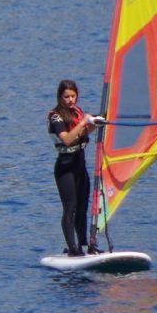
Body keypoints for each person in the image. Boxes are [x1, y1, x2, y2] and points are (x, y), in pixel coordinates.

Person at [47, 79, 100, 256]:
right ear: (60, 97)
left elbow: (82, 134)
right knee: (70, 207)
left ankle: (84, 245)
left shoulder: (77, 112)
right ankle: (72, 248)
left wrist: (94, 124)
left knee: (83, 207)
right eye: (66, 97)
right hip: (65, 168)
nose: (70, 100)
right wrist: (83, 122)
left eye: (73, 96)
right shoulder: (55, 117)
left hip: (80, 166)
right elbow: (68, 139)